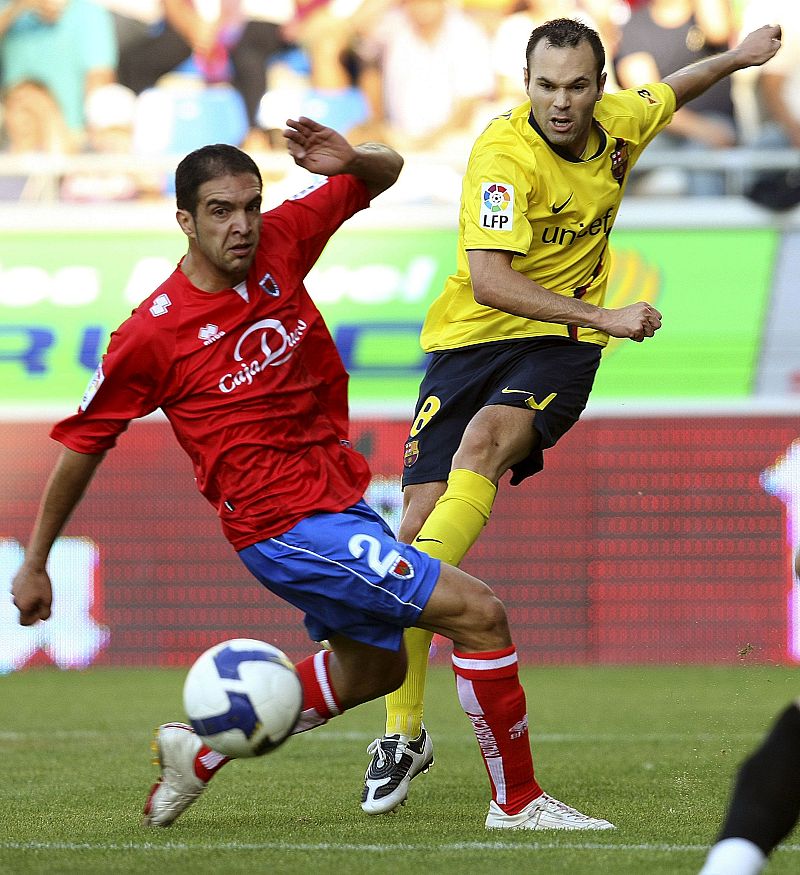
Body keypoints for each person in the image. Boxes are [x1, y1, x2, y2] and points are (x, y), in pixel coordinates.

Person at [10, 117, 613, 832]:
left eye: (250, 205)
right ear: (183, 220)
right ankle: (518, 803)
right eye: (219, 211)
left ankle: (200, 754)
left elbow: (383, 173)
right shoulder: (151, 333)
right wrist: (37, 560)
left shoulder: (282, 240)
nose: (241, 225)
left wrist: (356, 159)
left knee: (375, 669)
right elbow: (85, 442)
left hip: (337, 502)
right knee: (479, 614)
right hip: (282, 525)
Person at [360, 16, 782, 817]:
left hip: (558, 346)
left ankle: (393, 599)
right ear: (527, 84)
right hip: (469, 344)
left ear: (599, 86)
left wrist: (736, 56)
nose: (561, 102)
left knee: (482, 447)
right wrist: (612, 316)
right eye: (546, 86)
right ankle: (403, 731)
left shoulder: (621, 123)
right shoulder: (500, 158)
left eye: (578, 85)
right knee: (413, 525)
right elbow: (488, 281)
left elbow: (674, 87)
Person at [614, 0, 737, 196]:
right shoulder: (634, 27)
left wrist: (708, 132)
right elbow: (647, 99)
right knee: (616, 162)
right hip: (663, 129)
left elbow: (718, 30)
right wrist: (701, 129)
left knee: (701, 158)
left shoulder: (707, 15)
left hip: (715, 122)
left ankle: (708, 225)